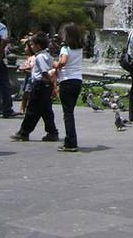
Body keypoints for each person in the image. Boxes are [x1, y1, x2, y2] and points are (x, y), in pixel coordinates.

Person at [11, 32, 59, 141]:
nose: (31, 47)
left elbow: (44, 71)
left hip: (40, 84)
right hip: (46, 85)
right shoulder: (48, 55)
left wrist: (48, 80)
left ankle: (24, 132)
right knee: (46, 110)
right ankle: (52, 132)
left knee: (32, 109)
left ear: (38, 45)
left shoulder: (39, 57)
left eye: (32, 44)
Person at [52, 23, 84, 152]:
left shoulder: (65, 48)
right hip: (77, 80)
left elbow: (63, 62)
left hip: (67, 81)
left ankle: (70, 142)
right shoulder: (79, 48)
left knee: (68, 113)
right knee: (70, 111)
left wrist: (55, 64)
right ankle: (71, 140)